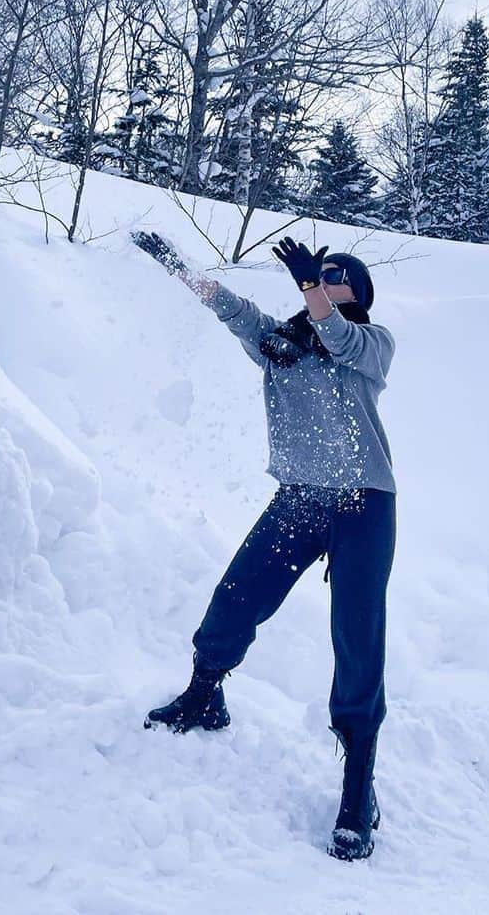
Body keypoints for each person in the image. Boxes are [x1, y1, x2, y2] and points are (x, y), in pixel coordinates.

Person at [131, 231, 397, 862]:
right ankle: (205, 694)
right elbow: (231, 309)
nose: (322, 279)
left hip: (363, 505)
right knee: (236, 596)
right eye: (317, 274)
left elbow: (338, 335)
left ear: (356, 295)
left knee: (356, 638)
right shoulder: (280, 344)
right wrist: (175, 264)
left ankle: (358, 786)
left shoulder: (370, 345)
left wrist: (312, 295)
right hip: (298, 501)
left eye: (335, 276)